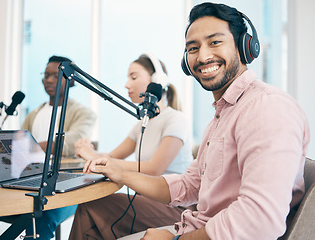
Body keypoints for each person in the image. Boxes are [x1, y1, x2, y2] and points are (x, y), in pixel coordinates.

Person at [81, 3, 310, 240]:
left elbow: (260, 221)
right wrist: (121, 173)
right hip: (194, 227)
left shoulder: (267, 108)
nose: (202, 56)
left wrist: (174, 239)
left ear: (245, 46)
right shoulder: (223, 116)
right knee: (91, 214)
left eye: (215, 42)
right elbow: (191, 185)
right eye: (193, 48)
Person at [68, 53, 193, 239]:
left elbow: (154, 168)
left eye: (133, 77)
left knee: (89, 206)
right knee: (91, 232)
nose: (127, 84)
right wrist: (89, 151)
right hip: (147, 201)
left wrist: (96, 158)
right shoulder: (142, 124)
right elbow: (113, 156)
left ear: (156, 81)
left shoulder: (176, 120)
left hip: (175, 208)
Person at [21, 55, 97, 239]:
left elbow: (73, 142)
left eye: (55, 75)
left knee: (42, 216)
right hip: (30, 180)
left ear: (70, 80)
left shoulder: (83, 113)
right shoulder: (34, 114)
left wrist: (34, 148)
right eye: (46, 75)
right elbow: (19, 145)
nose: (48, 80)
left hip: (63, 185)